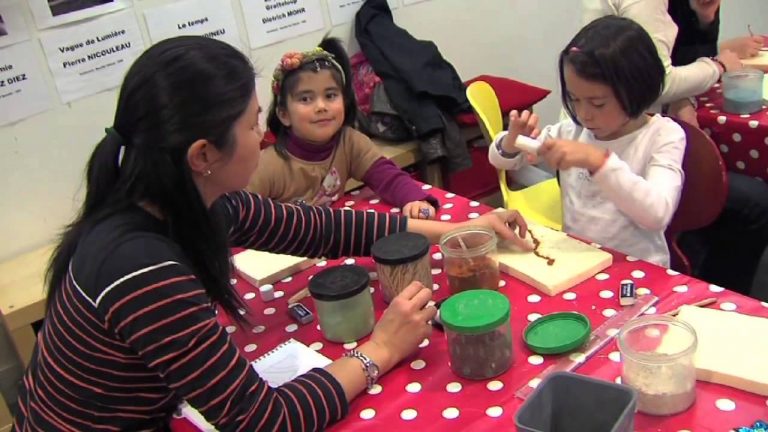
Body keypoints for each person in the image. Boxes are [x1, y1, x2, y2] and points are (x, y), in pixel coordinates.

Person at [13, 36, 532, 431]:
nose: (261, 135)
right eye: (251, 124)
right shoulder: (142, 268)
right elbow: (262, 420)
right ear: (203, 155)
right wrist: (381, 350)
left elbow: (323, 228)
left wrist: (458, 227)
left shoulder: (194, 202)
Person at [489, 16, 686, 267]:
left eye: (598, 103)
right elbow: (502, 160)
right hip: (578, 261)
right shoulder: (572, 130)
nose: (584, 114)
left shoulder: (663, 136)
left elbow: (657, 214)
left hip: (639, 271)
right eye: (574, 99)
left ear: (637, 89)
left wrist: (598, 161)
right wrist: (511, 141)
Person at [248, 37, 438, 220]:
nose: (321, 106)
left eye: (330, 96)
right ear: (284, 115)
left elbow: (387, 176)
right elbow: (236, 218)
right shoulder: (265, 166)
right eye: (306, 99)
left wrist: (414, 199)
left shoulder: (349, 142)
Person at [668, 0, 768, 296]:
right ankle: (717, 294)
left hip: (669, 122)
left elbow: (676, 60)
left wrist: (705, 19)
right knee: (753, 203)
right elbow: (661, 75)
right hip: (651, 133)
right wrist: (719, 60)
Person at [580, 0, 742, 113]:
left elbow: (664, 58)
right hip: (616, 122)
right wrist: (718, 65)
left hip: (606, 113)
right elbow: (655, 83)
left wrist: (703, 19)